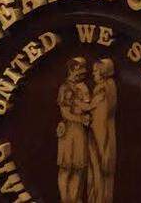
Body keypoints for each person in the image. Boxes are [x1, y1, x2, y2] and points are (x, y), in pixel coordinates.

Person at [56, 57, 90, 203]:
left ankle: (75, 199)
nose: (82, 74)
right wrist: (81, 119)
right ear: (72, 70)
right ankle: (65, 200)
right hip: (69, 131)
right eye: (79, 70)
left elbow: (88, 106)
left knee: (78, 169)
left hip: (80, 132)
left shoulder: (83, 87)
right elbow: (65, 113)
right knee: (66, 168)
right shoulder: (65, 88)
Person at [87, 58, 117, 203]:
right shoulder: (111, 86)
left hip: (99, 133)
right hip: (105, 132)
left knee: (97, 168)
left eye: (95, 71)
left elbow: (90, 108)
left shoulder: (101, 90)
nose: (93, 74)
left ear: (103, 72)